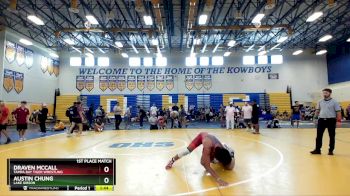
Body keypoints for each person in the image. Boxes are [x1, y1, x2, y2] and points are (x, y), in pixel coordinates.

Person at [165, 132, 235, 186]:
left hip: (214, 145)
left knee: (229, 167)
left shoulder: (221, 148)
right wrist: (218, 179)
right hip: (202, 137)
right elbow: (206, 165)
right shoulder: (207, 148)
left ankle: (230, 153)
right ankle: (172, 160)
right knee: (188, 152)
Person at [310, 88, 341, 155]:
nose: (324, 94)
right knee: (319, 136)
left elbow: (338, 112)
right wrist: (315, 118)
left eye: (326, 93)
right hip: (321, 120)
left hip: (331, 120)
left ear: (330, 93)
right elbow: (317, 110)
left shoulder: (334, 102)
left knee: (331, 136)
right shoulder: (320, 101)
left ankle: (331, 150)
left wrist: (339, 121)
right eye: (323, 93)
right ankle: (317, 150)